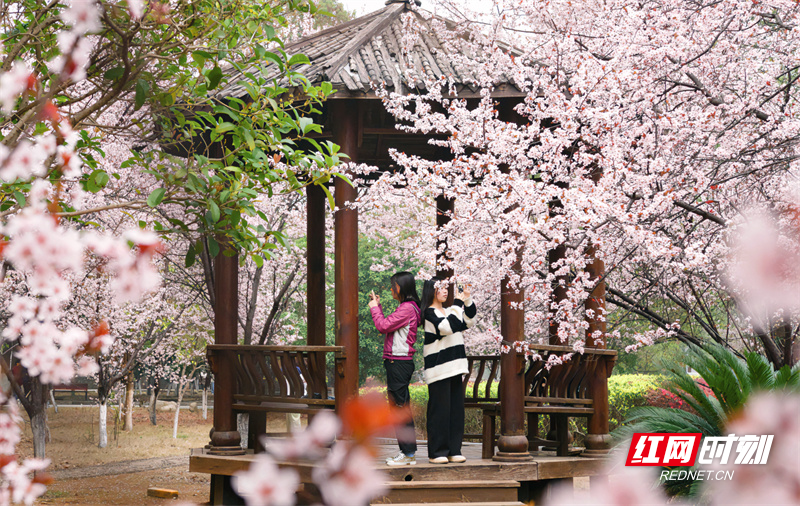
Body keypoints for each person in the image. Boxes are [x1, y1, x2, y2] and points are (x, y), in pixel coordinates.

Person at [421, 277, 477, 464]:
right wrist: (458, 304)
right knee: (440, 412)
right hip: (439, 369)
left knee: (455, 411)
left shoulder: (450, 311)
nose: (446, 291)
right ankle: (437, 452)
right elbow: (447, 327)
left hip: (455, 367)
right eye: (441, 288)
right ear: (432, 290)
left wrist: (467, 299)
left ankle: (454, 450)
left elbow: (469, 322)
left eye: (446, 288)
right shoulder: (429, 313)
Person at [368, 271, 422, 466]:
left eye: (393, 286)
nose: (391, 289)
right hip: (398, 361)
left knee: (399, 408)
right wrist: (378, 306)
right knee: (399, 407)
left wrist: (374, 308)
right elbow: (390, 326)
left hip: (398, 362)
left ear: (401, 288)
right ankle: (406, 452)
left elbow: (383, 326)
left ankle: (408, 454)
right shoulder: (408, 307)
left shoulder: (407, 308)